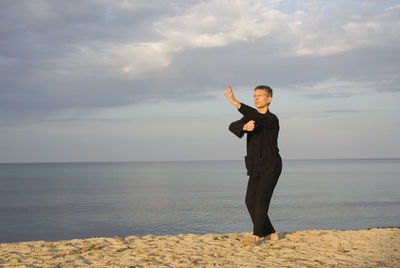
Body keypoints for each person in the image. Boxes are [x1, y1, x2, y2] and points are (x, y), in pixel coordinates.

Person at [224, 85, 282, 246]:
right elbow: (231, 126)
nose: (256, 98)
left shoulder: (271, 119)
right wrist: (244, 127)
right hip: (255, 166)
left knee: (261, 198)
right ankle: (270, 232)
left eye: (260, 95)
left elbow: (258, 118)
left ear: (269, 99)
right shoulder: (250, 118)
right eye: (254, 95)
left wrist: (237, 103)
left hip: (271, 165)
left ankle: (257, 236)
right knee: (250, 200)